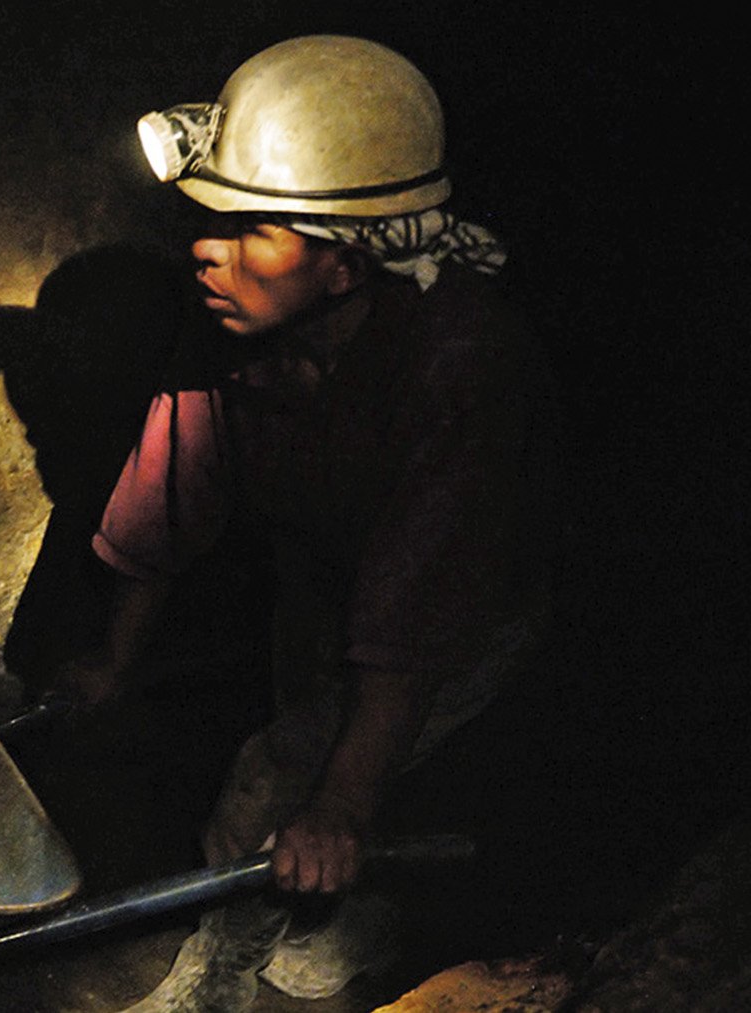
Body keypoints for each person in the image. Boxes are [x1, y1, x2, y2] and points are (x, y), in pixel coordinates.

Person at [60, 36, 564, 1011]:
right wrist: (113, 661)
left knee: (281, 774)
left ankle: (218, 979)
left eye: (254, 229)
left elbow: (421, 611)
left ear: (344, 264)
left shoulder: (462, 366)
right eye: (209, 219)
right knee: (316, 744)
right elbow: (173, 498)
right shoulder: (228, 325)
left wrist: (339, 802)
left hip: (468, 609)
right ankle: (341, 919)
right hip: (326, 580)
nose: (208, 249)